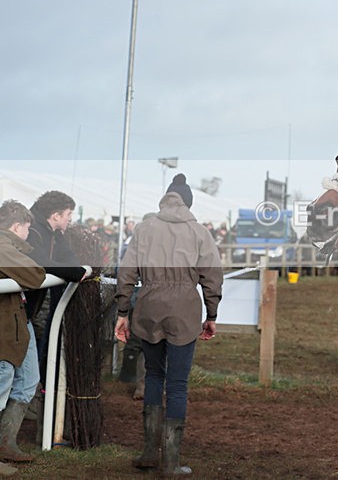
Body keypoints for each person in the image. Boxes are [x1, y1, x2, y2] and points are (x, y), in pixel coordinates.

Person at [114, 174, 223, 475]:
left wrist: (124, 311)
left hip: (148, 306)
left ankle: (149, 452)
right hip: (184, 311)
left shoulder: (144, 228)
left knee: (152, 377)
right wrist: (211, 315)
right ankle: (171, 463)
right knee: (177, 384)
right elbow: (212, 277)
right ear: (188, 203)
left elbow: (126, 274)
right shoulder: (200, 232)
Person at [24, 191, 88, 392]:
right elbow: (41, 262)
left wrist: (78, 269)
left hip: (28, 309)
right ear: (55, 215)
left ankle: (31, 402)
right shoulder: (33, 231)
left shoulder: (53, 234)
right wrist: (77, 272)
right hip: (19, 307)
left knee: (27, 371)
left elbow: (67, 257)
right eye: (68, 214)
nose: (70, 218)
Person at [0, 201, 46, 469]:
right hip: (6, 323)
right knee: (3, 379)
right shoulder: (4, 246)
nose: (29, 234)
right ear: (17, 226)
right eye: (27, 229)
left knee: (28, 378)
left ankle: (6, 442)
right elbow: (35, 275)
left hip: (16, 318)